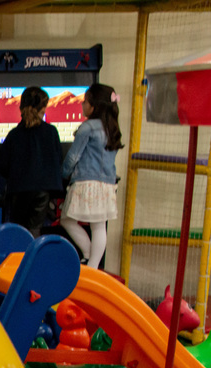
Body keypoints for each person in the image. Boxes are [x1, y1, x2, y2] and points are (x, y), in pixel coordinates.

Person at [61, 83, 124, 270]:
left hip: (86, 181)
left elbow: (73, 156)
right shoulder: (112, 126)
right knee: (99, 226)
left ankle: (88, 255)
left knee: (66, 219)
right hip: (107, 183)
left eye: (85, 101)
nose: (82, 105)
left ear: (94, 105)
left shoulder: (87, 127)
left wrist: (63, 174)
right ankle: (94, 265)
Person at [0, 87, 63, 237]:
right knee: (34, 230)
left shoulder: (14, 135)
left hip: (18, 189)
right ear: (43, 108)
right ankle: (32, 258)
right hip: (43, 189)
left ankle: (18, 258)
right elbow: (58, 160)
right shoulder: (51, 132)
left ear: (21, 107)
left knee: (18, 231)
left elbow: (1, 164)